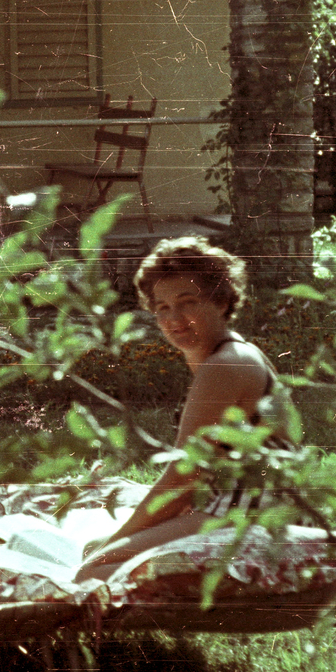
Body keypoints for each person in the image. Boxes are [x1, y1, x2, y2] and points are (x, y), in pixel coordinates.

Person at [75, 237, 292, 583]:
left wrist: (117, 543)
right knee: (94, 549)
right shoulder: (228, 353)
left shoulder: (226, 364)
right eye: (161, 308)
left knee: (94, 569)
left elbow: (182, 476)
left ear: (221, 301)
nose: (173, 319)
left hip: (251, 511)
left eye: (187, 303)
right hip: (236, 501)